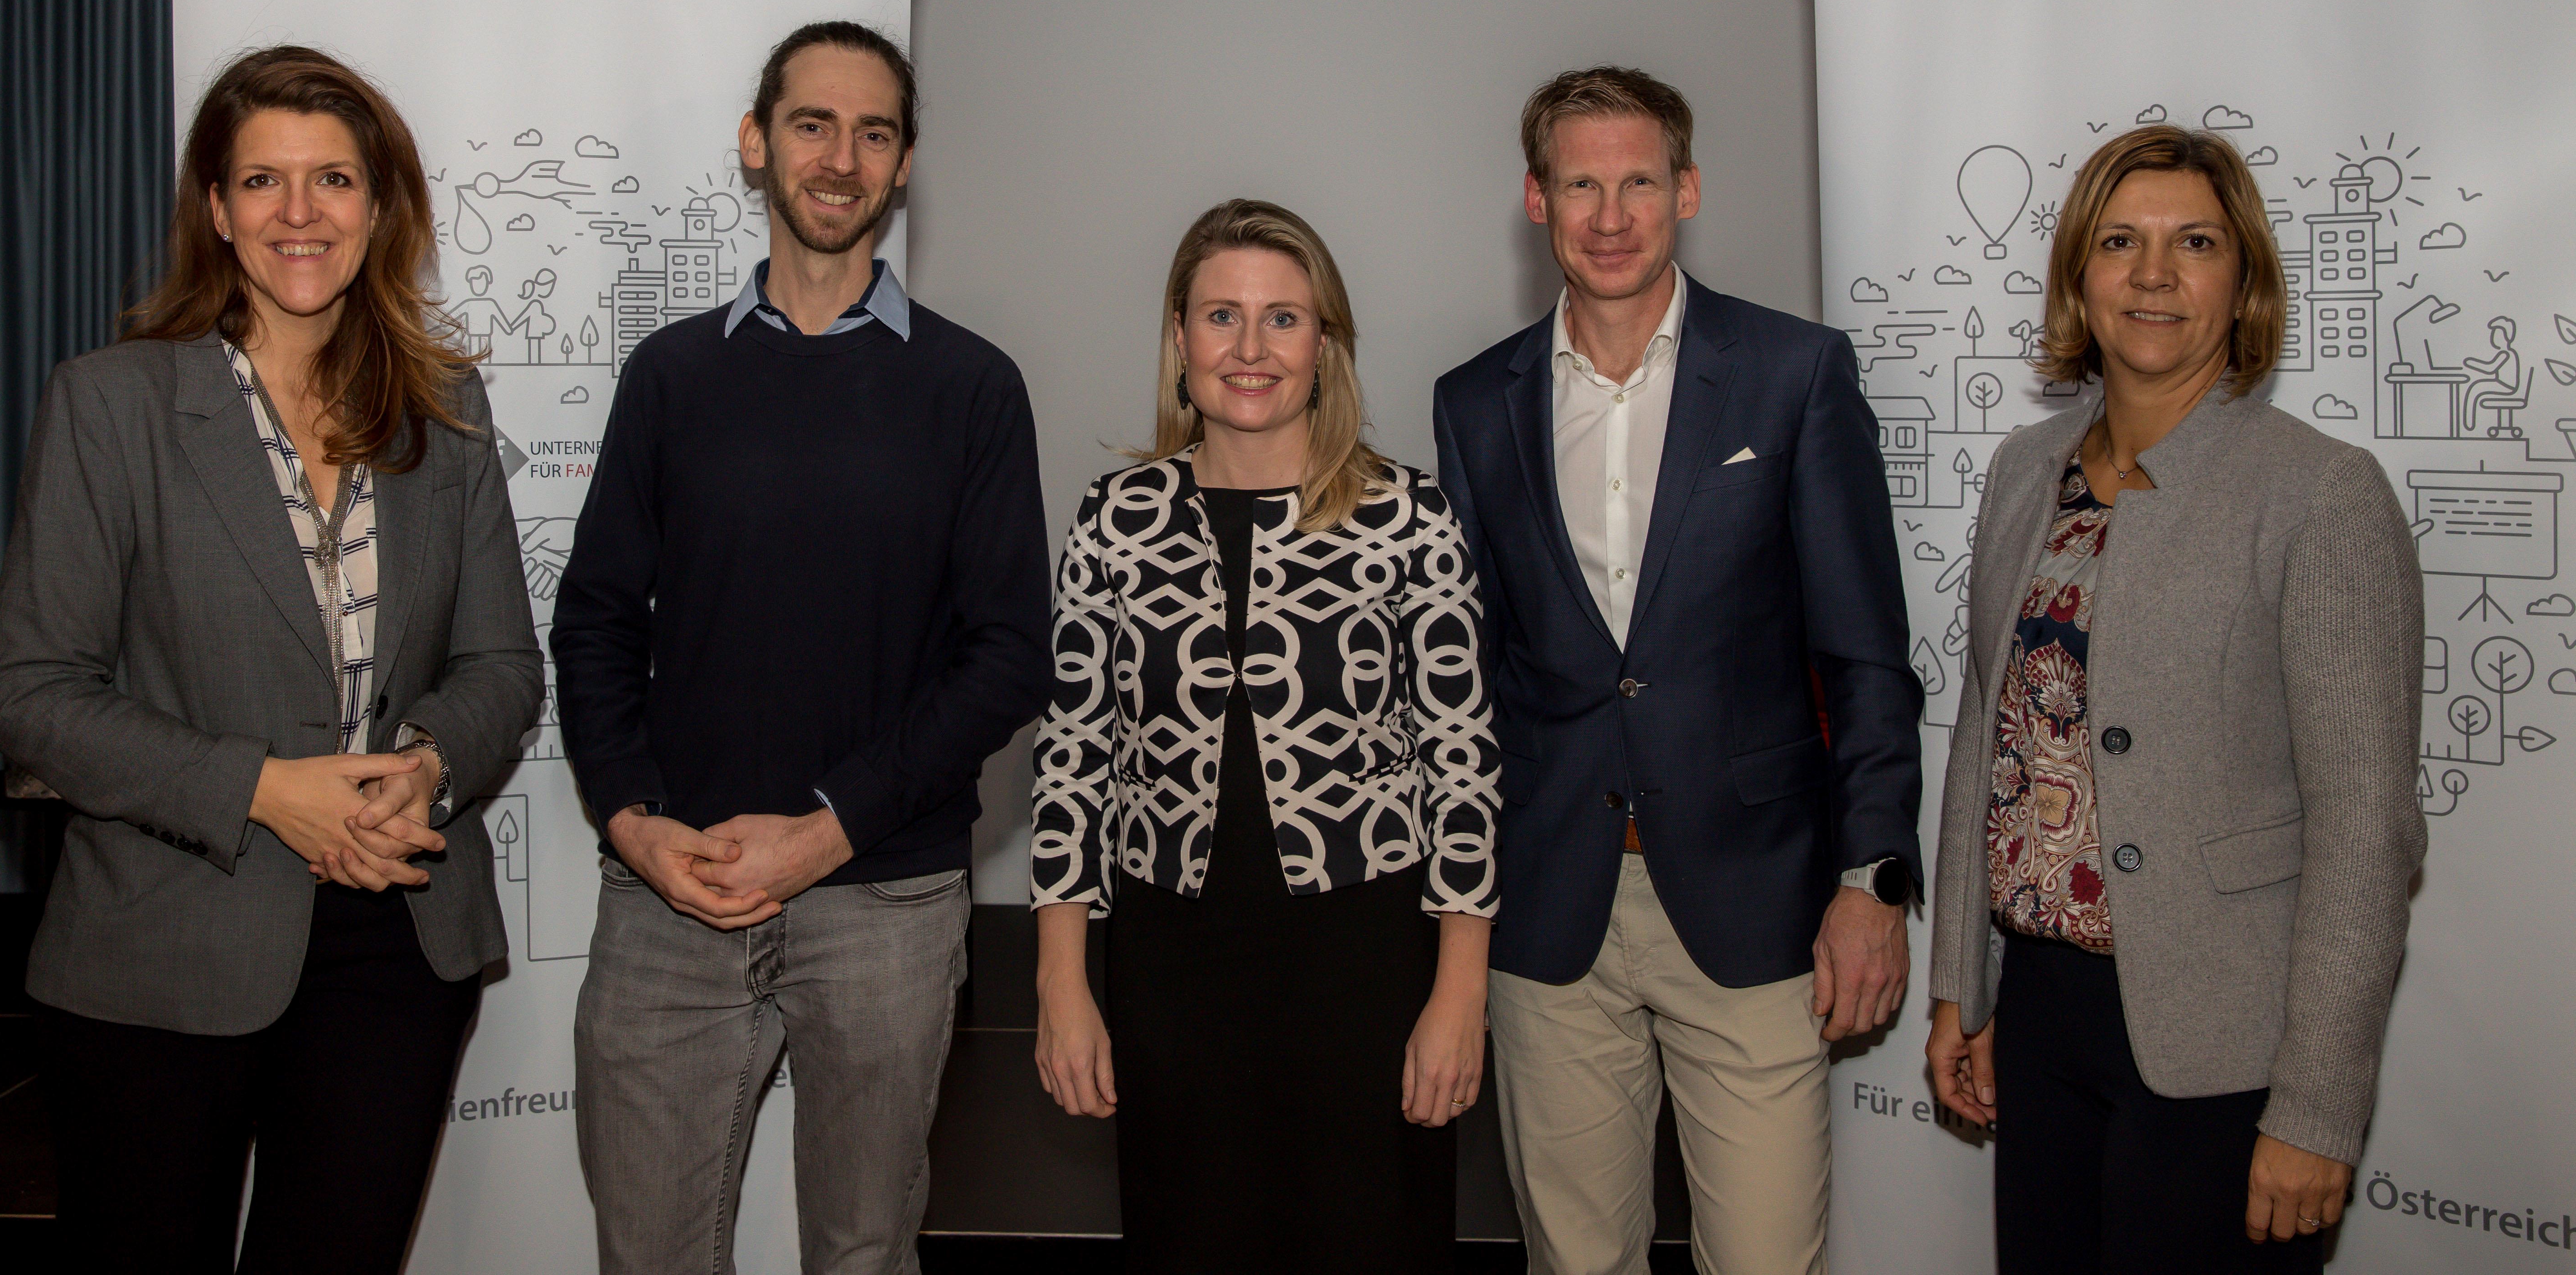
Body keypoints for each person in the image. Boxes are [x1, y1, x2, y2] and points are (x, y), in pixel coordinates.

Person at [0, 44, 542, 1272]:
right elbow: (31, 697)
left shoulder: (442, 410)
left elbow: (504, 663)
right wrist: (262, 789)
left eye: (333, 180)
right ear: (219, 213)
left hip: (394, 952)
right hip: (162, 948)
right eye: (263, 182)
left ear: (380, 208)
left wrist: (427, 765)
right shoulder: (112, 404)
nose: (301, 213)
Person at [552, 20, 1052, 1275]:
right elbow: (597, 619)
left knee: (864, 1253)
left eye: (874, 132)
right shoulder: (670, 376)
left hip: (885, 903)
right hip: (676, 895)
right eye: (813, 124)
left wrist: (829, 827)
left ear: (904, 164)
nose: (841, 157)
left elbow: (1007, 655)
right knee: (651, 1254)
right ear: (756, 143)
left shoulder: (973, 388)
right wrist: (633, 821)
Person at [1432, 67, 1922, 1275]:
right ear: (1535, 201)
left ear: (1687, 190)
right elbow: (1466, 675)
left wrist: (1874, 875)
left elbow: (1863, 657)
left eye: (1639, 181)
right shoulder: (1472, 403)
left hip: (1760, 903)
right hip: (1550, 910)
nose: (1611, 215)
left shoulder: (1794, 374)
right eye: (1581, 184)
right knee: (1575, 1259)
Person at [1924, 125, 2426, 1272]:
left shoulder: (2320, 494)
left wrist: (2317, 1109)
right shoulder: (2024, 470)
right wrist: (1963, 980)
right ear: (2079, 276)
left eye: (2193, 242)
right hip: (2044, 1014)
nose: (2153, 274)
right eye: (2120, 242)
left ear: (2241, 278)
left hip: (2226, 1039)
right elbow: (1986, 744)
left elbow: (2367, 829)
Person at [1031, 198, 1500, 1275]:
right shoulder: (1116, 518)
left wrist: (1459, 992)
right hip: (1172, 968)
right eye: (1221, 317)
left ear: (1325, 344)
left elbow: (1461, 761)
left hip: (1368, 967)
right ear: (1180, 340)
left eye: (1284, 318)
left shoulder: (1407, 517)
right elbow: (1072, 760)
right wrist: (1062, 983)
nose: (1251, 349)